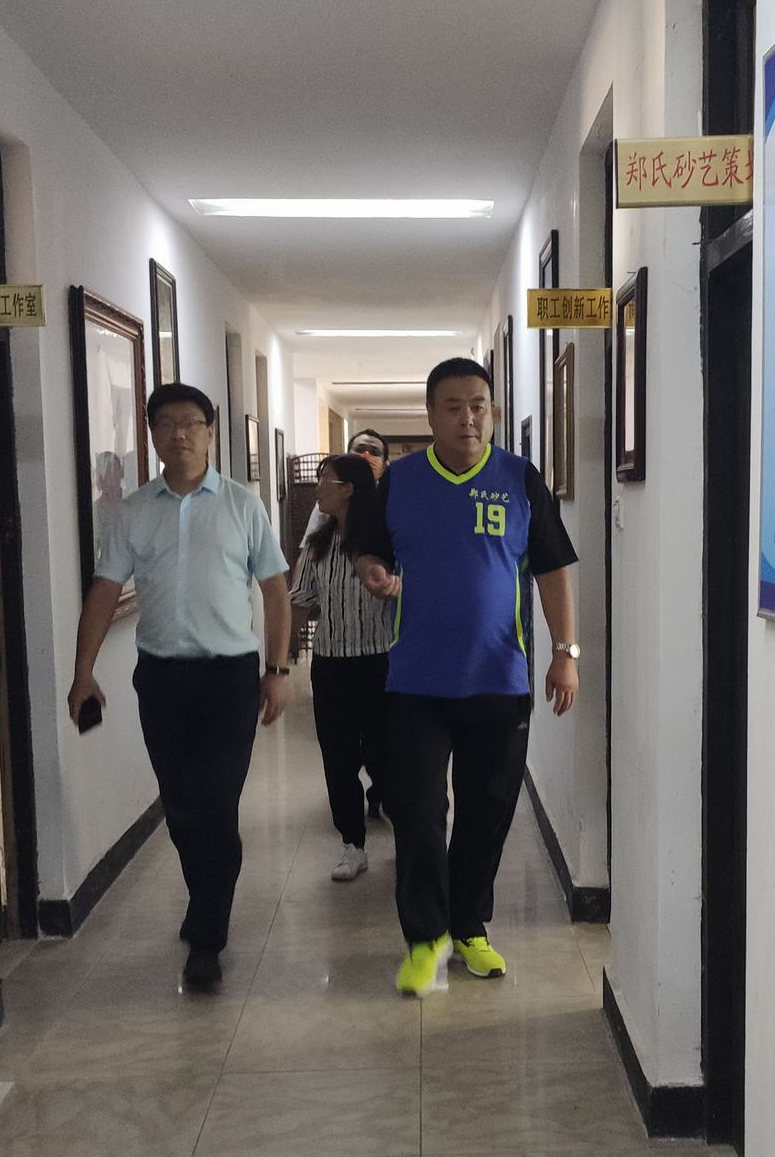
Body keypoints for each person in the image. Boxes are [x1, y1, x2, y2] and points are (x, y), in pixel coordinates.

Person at [350, 356, 580, 996]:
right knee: (419, 814)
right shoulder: (399, 481)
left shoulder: (519, 479)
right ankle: (427, 939)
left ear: (493, 412)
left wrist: (566, 651)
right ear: (430, 415)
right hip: (415, 684)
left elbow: (553, 568)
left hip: (498, 681)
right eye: (452, 406)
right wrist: (372, 571)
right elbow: (368, 550)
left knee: (488, 811)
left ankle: (470, 925)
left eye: (478, 405)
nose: (467, 418)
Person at [65, 382, 292, 993]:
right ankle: (205, 902)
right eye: (165, 424)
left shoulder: (243, 505)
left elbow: (275, 591)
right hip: (161, 678)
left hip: (229, 678)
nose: (179, 434)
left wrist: (277, 671)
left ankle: (207, 938)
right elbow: (105, 590)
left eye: (191, 422)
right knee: (183, 806)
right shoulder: (133, 511)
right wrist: (84, 671)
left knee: (216, 805)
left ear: (210, 431)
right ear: (152, 435)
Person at [289, 454, 395, 881]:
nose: (317, 489)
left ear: (348, 489)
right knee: (338, 758)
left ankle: (404, 828)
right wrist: (279, 659)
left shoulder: (385, 539)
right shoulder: (319, 543)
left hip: (380, 663)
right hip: (331, 665)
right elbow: (301, 600)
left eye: (325, 481)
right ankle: (353, 844)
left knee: (385, 755)